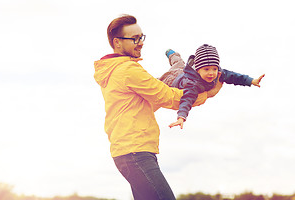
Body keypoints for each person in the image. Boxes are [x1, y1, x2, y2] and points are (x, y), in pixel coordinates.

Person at [93, 15, 223, 200]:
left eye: (141, 37)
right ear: (117, 43)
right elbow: (166, 96)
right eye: (135, 39)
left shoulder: (116, 70)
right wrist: (205, 94)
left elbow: (152, 101)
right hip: (135, 153)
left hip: (131, 152)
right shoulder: (128, 71)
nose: (140, 43)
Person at [159, 44, 265, 129]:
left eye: (214, 69)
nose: (211, 73)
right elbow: (187, 99)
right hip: (171, 80)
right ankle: (171, 54)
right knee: (175, 65)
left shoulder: (218, 73)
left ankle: (173, 55)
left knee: (179, 64)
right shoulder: (193, 84)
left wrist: (251, 81)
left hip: (184, 72)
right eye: (206, 69)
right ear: (198, 69)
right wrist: (181, 117)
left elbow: (234, 77)